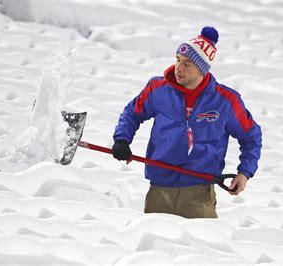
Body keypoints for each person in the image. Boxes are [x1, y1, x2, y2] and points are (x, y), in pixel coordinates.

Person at [112, 26, 262, 218]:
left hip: (199, 193)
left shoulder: (225, 101)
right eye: (178, 60)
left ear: (202, 69)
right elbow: (132, 113)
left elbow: (251, 136)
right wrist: (122, 139)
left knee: (200, 247)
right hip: (160, 189)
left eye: (187, 64)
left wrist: (244, 172)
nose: (178, 68)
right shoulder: (158, 89)